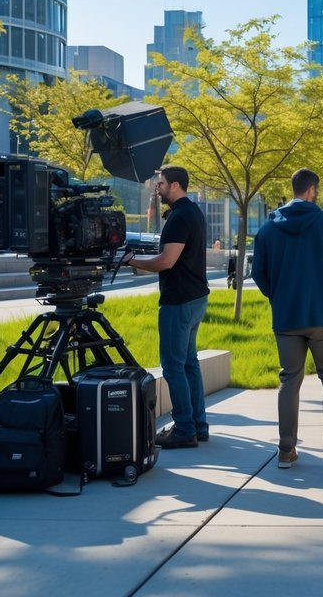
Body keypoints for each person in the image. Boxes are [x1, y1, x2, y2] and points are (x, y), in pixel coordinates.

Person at [251, 168, 323, 470]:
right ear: (312, 190)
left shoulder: (267, 229)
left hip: (286, 317)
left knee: (289, 380)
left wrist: (277, 297)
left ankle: (286, 450)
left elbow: (258, 273)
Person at [126, 165, 210, 449]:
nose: (156, 189)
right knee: (188, 363)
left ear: (174, 185)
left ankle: (185, 429)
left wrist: (132, 261)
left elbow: (166, 261)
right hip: (196, 297)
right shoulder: (193, 211)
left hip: (179, 300)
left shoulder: (179, 216)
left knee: (173, 365)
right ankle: (198, 425)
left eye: (159, 184)